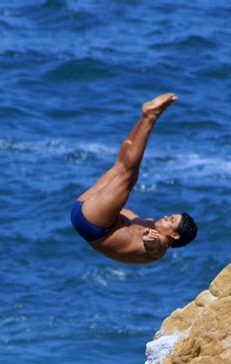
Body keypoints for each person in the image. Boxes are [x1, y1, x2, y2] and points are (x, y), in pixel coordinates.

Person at [70, 93, 197, 264]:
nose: (166, 216)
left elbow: (153, 247)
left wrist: (150, 242)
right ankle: (145, 116)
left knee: (129, 175)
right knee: (121, 164)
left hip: (94, 226)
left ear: (174, 235)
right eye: (170, 215)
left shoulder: (158, 249)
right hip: (86, 208)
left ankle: (151, 115)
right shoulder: (152, 224)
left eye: (171, 220)